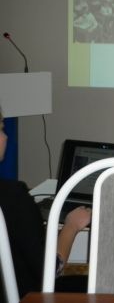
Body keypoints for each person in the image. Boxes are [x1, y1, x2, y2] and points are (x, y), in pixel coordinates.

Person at [0, 109, 91, 299]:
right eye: (0, 129)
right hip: (26, 296)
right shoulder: (13, 196)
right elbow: (49, 271)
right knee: (102, 285)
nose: (5, 136)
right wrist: (71, 226)